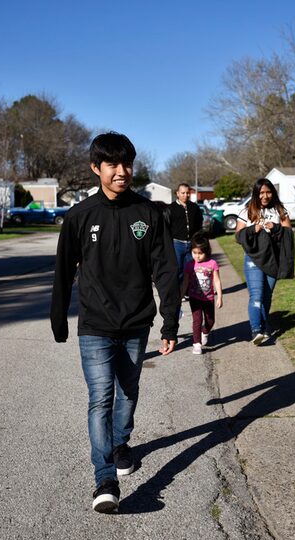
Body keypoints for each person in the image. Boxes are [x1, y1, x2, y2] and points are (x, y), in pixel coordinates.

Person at [50, 132, 180, 514]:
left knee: (128, 391)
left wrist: (170, 323)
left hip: (137, 322)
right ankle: (104, 479)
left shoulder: (150, 214)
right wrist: (59, 320)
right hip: (95, 323)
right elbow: (62, 271)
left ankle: (121, 443)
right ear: (96, 168)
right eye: (113, 164)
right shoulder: (79, 216)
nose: (122, 171)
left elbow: (166, 272)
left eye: (127, 164)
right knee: (100, 397)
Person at [234, 178, 293, 345]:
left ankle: (265, 326)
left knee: (267, 297)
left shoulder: (280, 210)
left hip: (274, 259)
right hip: (254, 259)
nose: (265, 196)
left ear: (272, 193)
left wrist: (276, 228)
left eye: (268, 192)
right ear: (256, 194)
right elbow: (238, 236)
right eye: (261, 193)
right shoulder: (247, 211)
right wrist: (253, 229)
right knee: (256, 296)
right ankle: (256, 330)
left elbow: (289, 232)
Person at [180, 233, 223, 354]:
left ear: (207, 252)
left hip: (209, 298)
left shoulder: (212, 264)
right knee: (197, 320)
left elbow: (216, 280)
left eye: (200, 253)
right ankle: (197, 344)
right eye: (194, 253)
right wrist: (181, 295)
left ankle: (205, 331)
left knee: (210, 321)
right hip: (195, 297)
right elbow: (185, 282)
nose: (197, 256)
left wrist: (219, 296)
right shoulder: (190, 265)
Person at [167, 183, 204, 285]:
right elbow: (166, 227)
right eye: (183, 193)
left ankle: (187, 291)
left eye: (187, 193)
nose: (185, 195)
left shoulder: (195, 207)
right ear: (177, 193)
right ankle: (178, 291)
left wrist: (197, 239)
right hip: (177, 244)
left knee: (190, 269)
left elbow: (199, 224)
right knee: (177, 268)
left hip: (191, 244)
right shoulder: (170, 208)